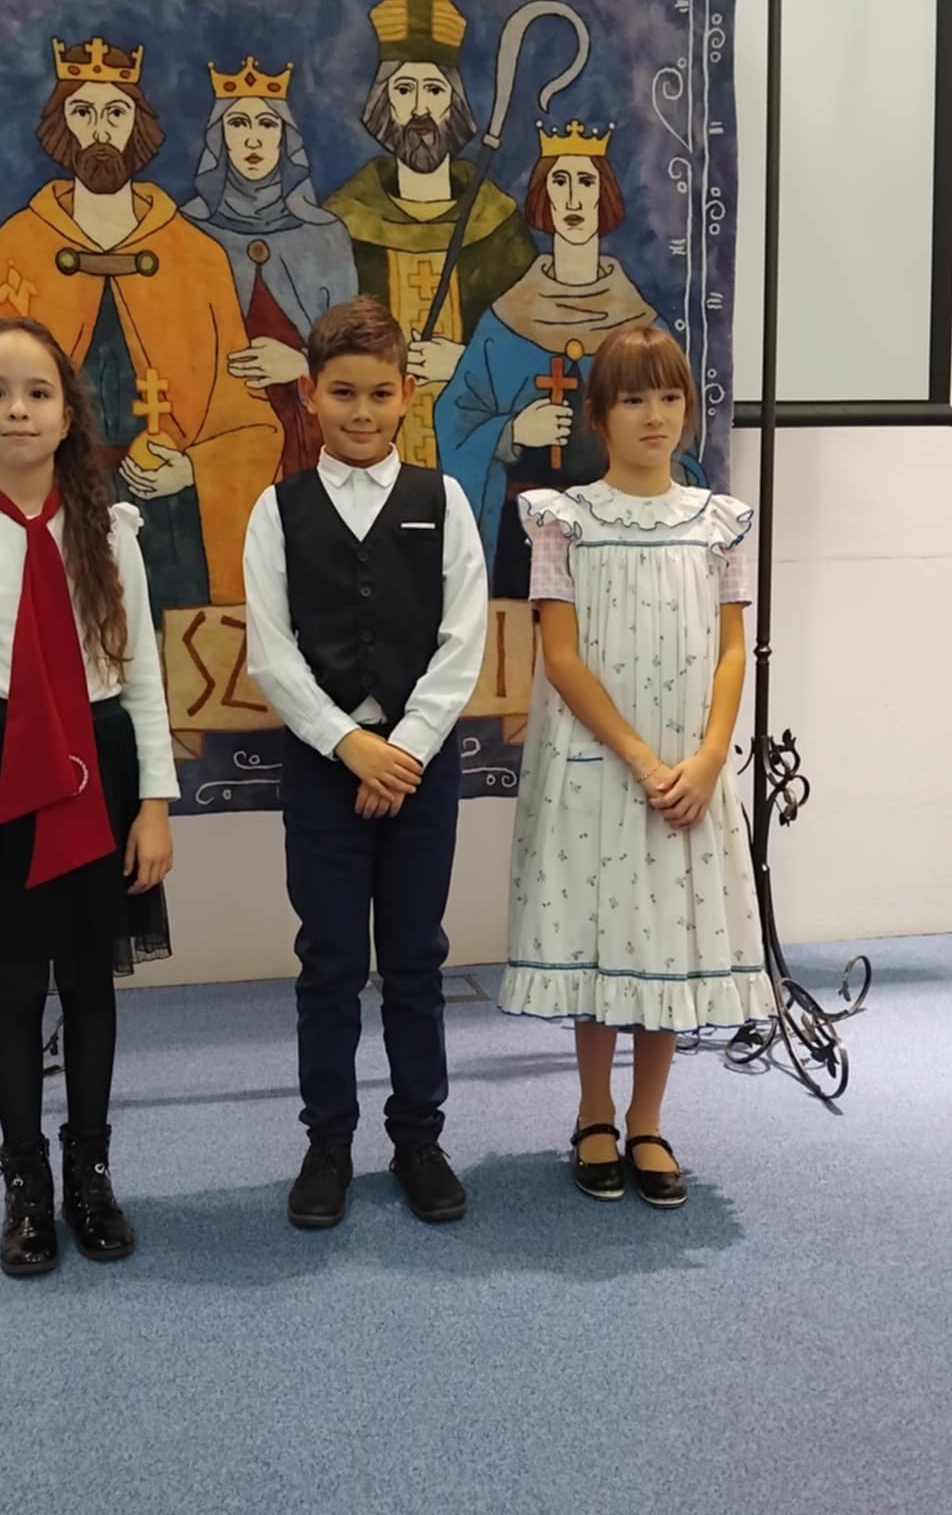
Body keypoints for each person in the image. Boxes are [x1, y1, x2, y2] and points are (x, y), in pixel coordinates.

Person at [0, 317, 179, 1276]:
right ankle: (23, 1184)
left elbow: (142, 678)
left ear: (68, 415)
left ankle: (88, 1177)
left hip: (100, 766)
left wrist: (154, 803)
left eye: (37, 392)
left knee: (91, 986)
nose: (17, 409)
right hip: (0, 770)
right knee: (19, 988)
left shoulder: (112, 533)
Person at [499, 323, 777, 1208]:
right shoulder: (562, 519)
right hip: (598, 763)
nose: (655, 416)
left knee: (665, 934)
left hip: (688, 774)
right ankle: (593, 1113)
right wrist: (639, 758)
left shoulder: (720, 523)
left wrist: (708, 760)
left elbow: (731, 652)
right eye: (632, 399)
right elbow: (561, 656)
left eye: (669, 397)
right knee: (599, 933)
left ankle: (648, 1120)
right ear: (598, 416)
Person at [242, 296, 489, 1228]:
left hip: (420, 773)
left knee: (417, 959)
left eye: (379, 393)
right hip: (324, 766)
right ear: (310, 393)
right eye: (342, 392)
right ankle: (329, 1143)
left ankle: (419, 1137)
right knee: (330, 960)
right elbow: (272, 653)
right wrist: (350, 745)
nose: (360, 410)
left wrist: (405, 750)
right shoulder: (277, 510)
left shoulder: (443, 500)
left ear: (406, 395)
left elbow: (462, 640)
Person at [0, 36, 282, 619]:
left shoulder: (195, 257)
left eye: (116, 113)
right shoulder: (19, 249)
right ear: (62, 127)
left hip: (171, 517)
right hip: (49, 506)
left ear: (138, 127)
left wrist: (194, 469)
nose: (100, 130)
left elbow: (244, 415)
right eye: (83, 112)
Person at [433, 122, 693, 599]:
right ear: (543, 196)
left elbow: (680, 448)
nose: (573, 199)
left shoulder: (639, 325)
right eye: (560, 181)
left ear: (604, 195)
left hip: (615, 539)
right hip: (521, 542)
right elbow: (453, 419)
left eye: (586, 182)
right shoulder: (507, 320)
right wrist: (512, 432)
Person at [322, 0, 536, 469]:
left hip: (475, 472)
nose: (420, 108)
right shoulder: (343, 224)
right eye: (404, 89)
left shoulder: (495, 225)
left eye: (434, 90)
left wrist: (463, 364)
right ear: (384, 102)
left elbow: (531, 361)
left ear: (453, 103)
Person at [181, 57, 359, 481]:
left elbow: (355, 353)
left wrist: (302, 365)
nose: (253, 139)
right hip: (219, 431)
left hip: (308, 430)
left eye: (266, 124)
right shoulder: (186, 231)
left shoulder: (324, 235)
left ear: (285, 137)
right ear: (219, 138)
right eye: (238, 124)